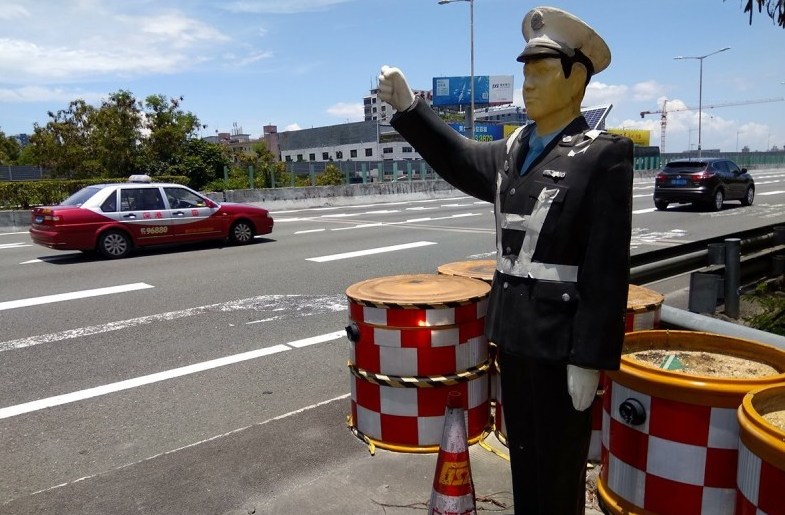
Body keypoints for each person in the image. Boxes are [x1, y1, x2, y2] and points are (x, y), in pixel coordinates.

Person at [378, 6, 633, 514]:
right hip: (514, 334)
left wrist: (590, 357)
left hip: (562, 343)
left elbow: (606, 268)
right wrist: (411, 108)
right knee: (525, 459)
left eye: (541, 71)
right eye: (526, 71)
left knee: (558, 467)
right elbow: (458, 158)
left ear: (577, 77)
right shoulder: (515, 149)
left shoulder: (602, 155)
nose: (528, 84)